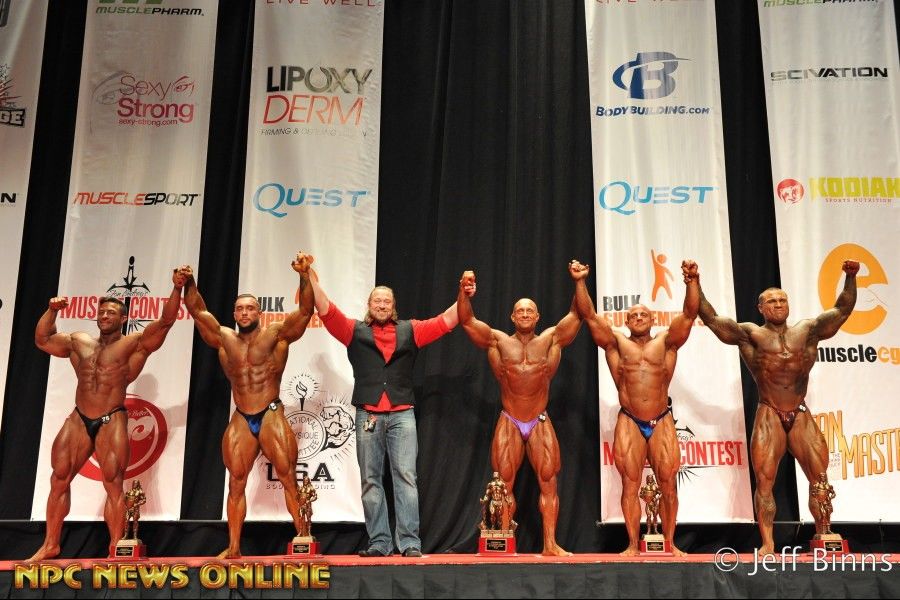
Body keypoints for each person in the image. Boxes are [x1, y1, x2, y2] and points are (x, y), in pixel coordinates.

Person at [309, 267, 473, 558]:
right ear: (369, 305)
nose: (382, 305)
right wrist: (308, 276)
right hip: (368, 414)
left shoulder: (411, 330)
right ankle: (380, 543)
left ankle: (409, 543)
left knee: (406, 477)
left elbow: (450, 319)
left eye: (387, 301)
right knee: (370, 480)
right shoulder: (353, 331)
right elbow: (325, 309)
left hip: (402, 414)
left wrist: (463, 293)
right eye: (377, 301)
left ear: (393, 306)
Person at [697, 259, 858, 555]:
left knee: (820, 478)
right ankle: (768, 543)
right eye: (771, 301)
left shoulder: (808, 330)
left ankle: (824, 532)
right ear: (761, 308)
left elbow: (842, 310)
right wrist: (694, 282)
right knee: (765, 482)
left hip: (799, 412)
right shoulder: (750, 334)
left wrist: (850, 276)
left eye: (782, 300)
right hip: (769, 411)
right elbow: (712, 319)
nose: (778, 304)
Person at [28, 272, 185, 560]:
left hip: (111, 419)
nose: (104, 316)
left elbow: (165, 322)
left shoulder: (133, 344)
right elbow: (42, 339)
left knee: (113, 483)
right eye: (101, 312)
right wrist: (52, 311)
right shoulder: (79, 342)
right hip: (79, 418)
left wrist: (176, 288)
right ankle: (51, 544)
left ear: (123, 318)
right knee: (59, 478)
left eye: (111, 313)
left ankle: (116, 548)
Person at [178, 252, 315, 559]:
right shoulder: (224, 338)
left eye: (250, 308)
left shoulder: (276, 335)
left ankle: (304, 539)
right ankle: (234, 547)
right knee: (235, 484)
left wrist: (304, 275)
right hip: (241, 416)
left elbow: (306, 311)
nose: (244, 312)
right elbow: (197, 310)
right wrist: (189, 282)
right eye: (239, 308)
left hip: (270, 412)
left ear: (259, 312)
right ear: (234, 313)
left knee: (288, 478)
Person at [456, 263, 583, 557]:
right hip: (510, 419)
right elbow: (467, 321)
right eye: (520, 311)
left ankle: (550, 544)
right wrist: (464, 292)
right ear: (512, 317)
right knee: (503, 483)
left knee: (549, 481)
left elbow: (578, 315)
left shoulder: (551, 339)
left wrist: (578, 282)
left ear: (537, 317)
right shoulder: (497, 341)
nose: (525, 314)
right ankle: (503, 543)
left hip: (539, 419)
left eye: (530, 311)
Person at [574, 259, 698, 556]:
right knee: (630, 484)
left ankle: (670, 543)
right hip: (629, 420)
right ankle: (632, 544)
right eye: (633, 315)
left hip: (661, 419)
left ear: (653, 320)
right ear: (626, 322)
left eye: (644, 314)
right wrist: (580, 281)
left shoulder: (667, 342)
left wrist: (693, 281)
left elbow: (690, 313)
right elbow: (589, 315)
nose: (639, 317)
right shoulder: (616, 343)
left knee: (668, 485)